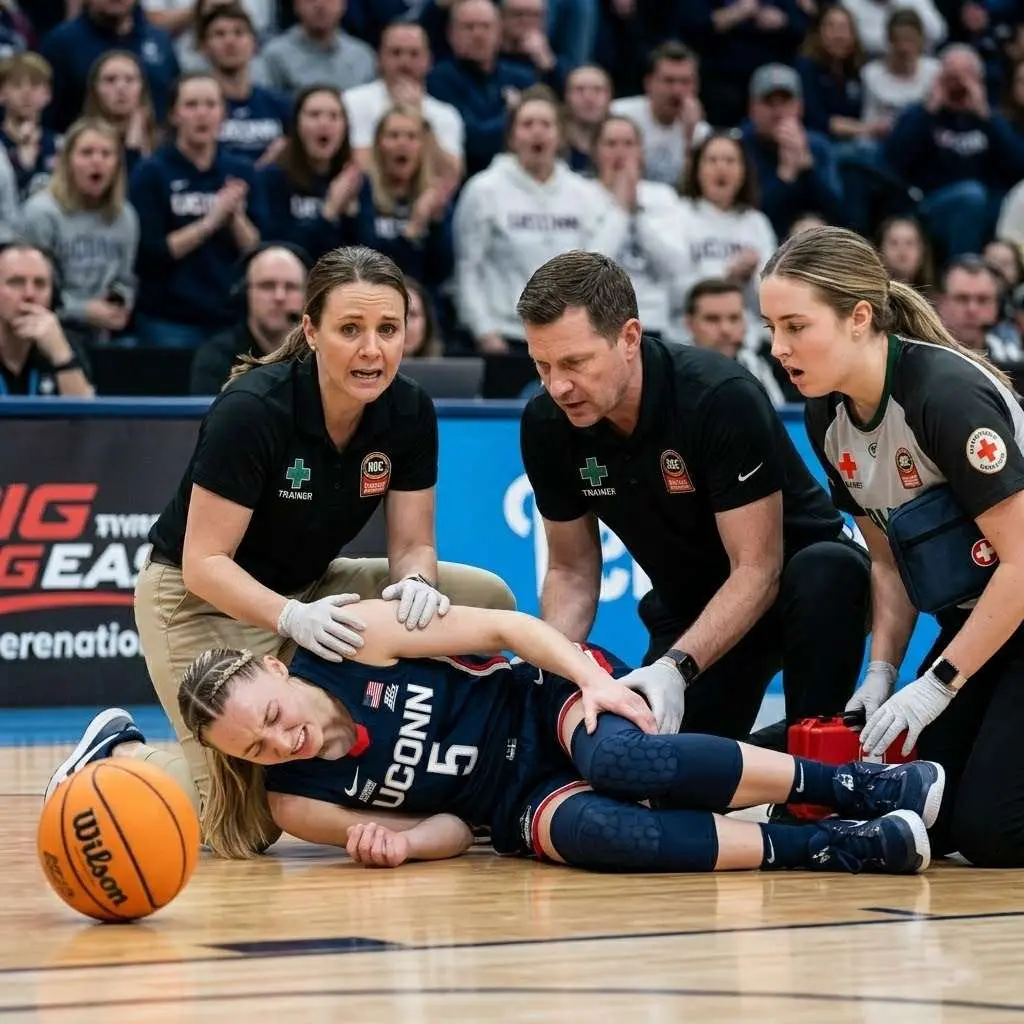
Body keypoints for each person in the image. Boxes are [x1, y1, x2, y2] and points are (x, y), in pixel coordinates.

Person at [45, 245, 515, 838]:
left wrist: (416, 581)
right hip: (199, 601)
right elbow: (203, 563)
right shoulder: (253, 410)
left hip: (311, 588)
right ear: (311, 331)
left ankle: (464, 762)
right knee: (241, 828)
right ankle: (119, 753)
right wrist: (291, 617)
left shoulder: (410, 411)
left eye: (388, 329)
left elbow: (413, 544)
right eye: (351, 329)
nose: (372, 349)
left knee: (484, 595)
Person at [160, 601, 941, 871]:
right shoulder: (298, 803)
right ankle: (839, 848)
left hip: (542, 700)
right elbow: (445, 829)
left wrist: (593, 680)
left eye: (269, 719)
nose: (279, 742)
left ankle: (857, 787)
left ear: (276, 668)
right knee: (607, 834)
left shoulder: (349, 638)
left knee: (630, 758)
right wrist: (399, 847)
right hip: (513, 801)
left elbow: (505, 626)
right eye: (255, 751)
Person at [517, 251, 871, 750]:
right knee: (656, 773)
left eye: (575, 362)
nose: (559, 385)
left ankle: (820, 757)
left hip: (792, 588)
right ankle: (786, 746)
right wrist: (547, 668)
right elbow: (572, 571)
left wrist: (676, 669)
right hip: (691, 610)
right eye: (542, 364)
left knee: (828, 569)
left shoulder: (718, 395)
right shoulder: (545, 423)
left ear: (629, 338)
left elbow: (757, 569)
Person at [760, 225, 1024, 867]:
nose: (778, 347)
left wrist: (938, 684)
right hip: (987, 624)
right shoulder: (829, 413)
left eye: (795, 326)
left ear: (857, 319)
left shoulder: (945, 396)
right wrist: (881, 671)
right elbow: (886, 557)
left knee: (997, 833)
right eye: (771, 328)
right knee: (928, 811)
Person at [189, 243, 308, 395]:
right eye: (267, 286)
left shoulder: (319, 356)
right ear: (245, 293)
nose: (279, 296)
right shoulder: (216, 358)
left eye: (291, 287)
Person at [0, 242, 94, 398]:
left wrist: (61, 356)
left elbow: (86, 420)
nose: (29, 294)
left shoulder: (65, 344)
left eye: (40, 284)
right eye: (16, 282)